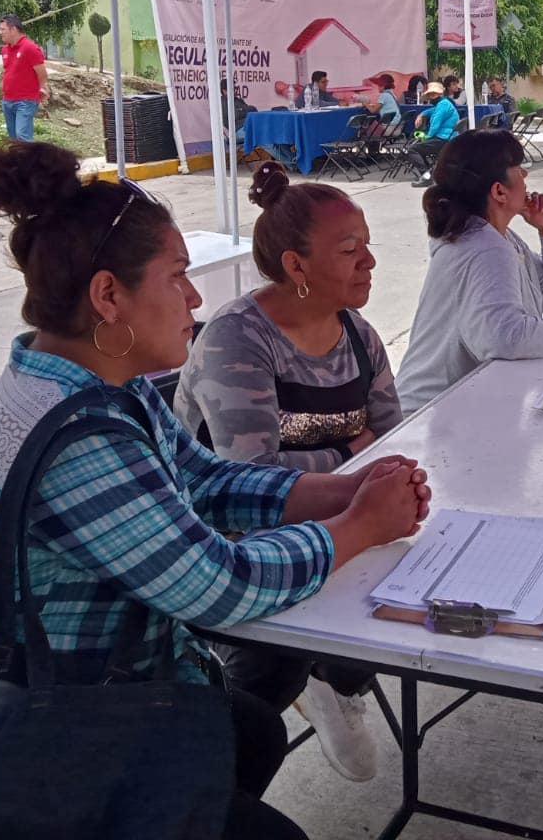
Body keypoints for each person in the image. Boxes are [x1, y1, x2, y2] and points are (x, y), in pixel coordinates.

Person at [0, 142, 431, 837]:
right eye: (177, 278)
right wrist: (358, 530)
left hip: (95, 690)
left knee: (249, 731)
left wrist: (341, 493)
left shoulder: (102, 389)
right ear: (109, 295)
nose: (195, 299)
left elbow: (203, 479)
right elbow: (216, 587)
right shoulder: (75, 438)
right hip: (8, 741)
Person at [174, 163, 401, 781]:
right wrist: (351, 454)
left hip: (338, 518)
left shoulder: (359, 336)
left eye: (368, 246)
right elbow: (250, 477)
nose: (370, 262)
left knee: (395, 592)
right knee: (264, 680)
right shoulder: (237, 341)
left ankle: (338, 682)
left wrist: (362, 459)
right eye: (350, 251)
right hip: (239, 543)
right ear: (297, 267)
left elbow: (395, 437)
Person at [396, 130, 543, 413]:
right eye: (518, 169)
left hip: (457, 406)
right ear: (499, 191)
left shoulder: (498, 239)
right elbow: (505, 337)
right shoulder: (483, 247)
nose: (525, 175)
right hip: (431, 412)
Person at [0, 13, 47, 142]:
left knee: (22, 136)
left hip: (25, 100)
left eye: (3, 29)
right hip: (8, 100)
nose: (0, 32)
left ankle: (28, 162)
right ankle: (17, 162)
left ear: (13, 29)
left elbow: (42, 73)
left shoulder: (30, 48)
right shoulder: (5, 49)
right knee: (13, 138)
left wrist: (41, 88)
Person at [407, 81, 459, 187]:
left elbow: (435, 125)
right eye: (430, 94)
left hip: (443, 139)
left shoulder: (442, 105)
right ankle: (428, 175)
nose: (431, 97)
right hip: (449, 138)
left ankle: (426, 177)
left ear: (439, 94)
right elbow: (432, 110)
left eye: (434, 94)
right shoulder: (444, 103)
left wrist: (427, 137)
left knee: (412, 149)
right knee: (418, 147)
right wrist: (421, 114)